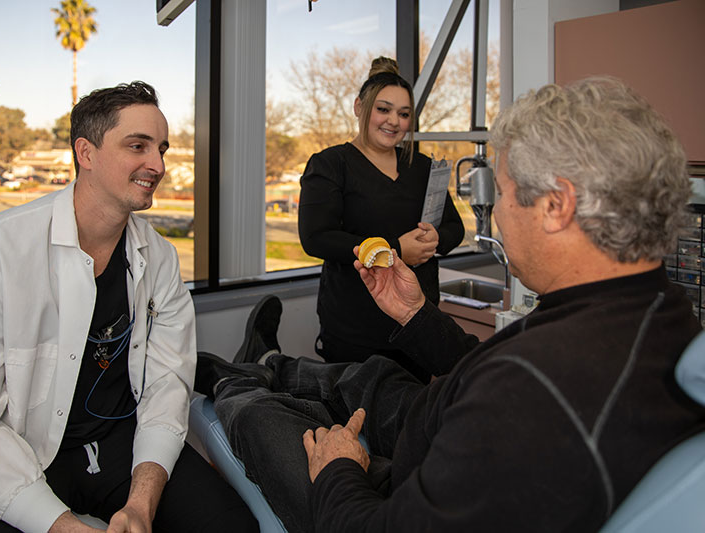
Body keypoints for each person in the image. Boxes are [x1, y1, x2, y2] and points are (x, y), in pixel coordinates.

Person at [194, 77, 705, 532]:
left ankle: (235, 379)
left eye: (502, 193)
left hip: (398, 485)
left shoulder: (529, 395)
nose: (498, 214)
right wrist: (418, 317)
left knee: (253, 409)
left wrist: (340, 470)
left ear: (556, 206)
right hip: (439, 418)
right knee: (368, 375)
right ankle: (267, 362)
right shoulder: (657, 311)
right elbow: (485, 369)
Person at [0, 82, 257, 533]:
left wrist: (141, 503)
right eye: (138, 146)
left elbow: (167, 385)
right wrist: (63, 526)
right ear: (85, 153)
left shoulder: (160, 258)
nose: (159, 165)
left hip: (118, 446)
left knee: (231, 527)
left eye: (162, 148)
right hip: (15, 453)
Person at [297, 56, 464, 382]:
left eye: (404, 114)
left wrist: (436, 239)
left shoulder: (423, 167)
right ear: (360, 107)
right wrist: (394, 250)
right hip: (354, 329)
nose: (394, 121)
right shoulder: (331, 164)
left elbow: (455, 229)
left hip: (418, 326)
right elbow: (316, 238)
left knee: (414, 420)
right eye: (383, 110)